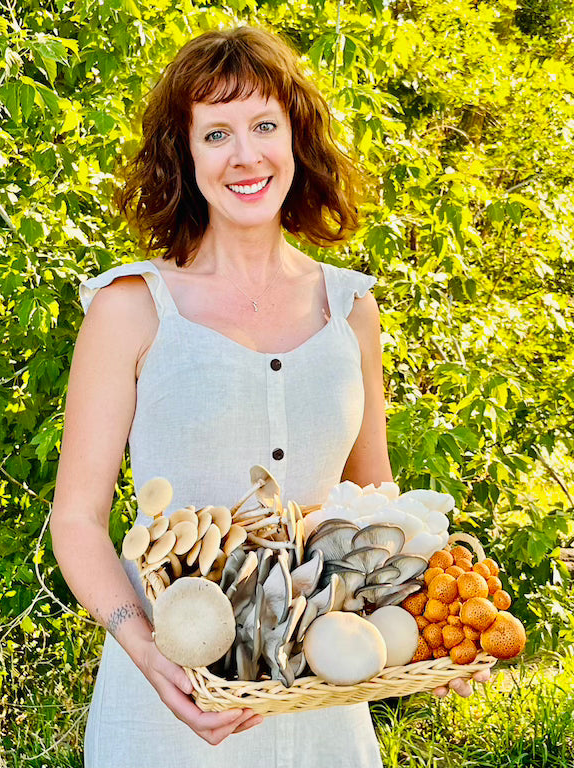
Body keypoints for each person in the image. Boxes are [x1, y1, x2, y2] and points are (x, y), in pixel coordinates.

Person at [50, 24, 489, 768]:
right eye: (216, 133)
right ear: (185, 155)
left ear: (296, 138)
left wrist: (434, 629)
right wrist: (146, 651)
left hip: (326, 706)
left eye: (263, 126)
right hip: (167, 706)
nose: (245, 155)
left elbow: (374, 505)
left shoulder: (351, 309)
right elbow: (77, 519)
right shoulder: (131, 307)